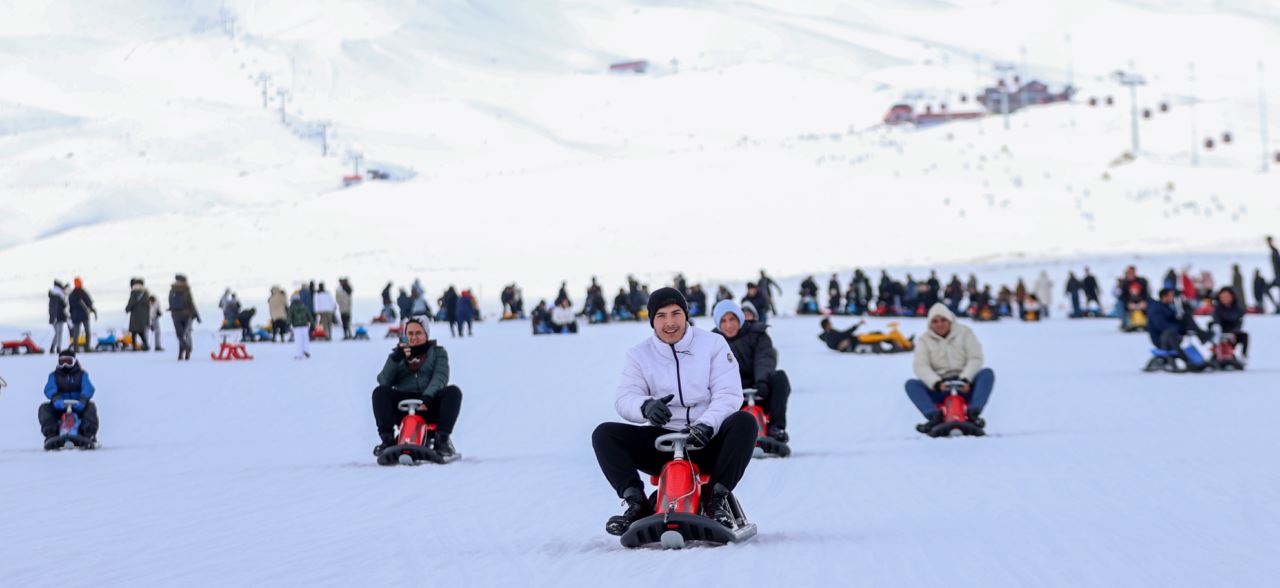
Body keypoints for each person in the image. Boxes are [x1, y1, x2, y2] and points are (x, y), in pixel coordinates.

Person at [591, 288, 755, 535]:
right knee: (604, 434)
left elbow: (729, 394)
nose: (670, 323)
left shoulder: (712, 344)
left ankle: (715, 500)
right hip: (663, 444)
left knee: (745, 421)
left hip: (708, 441)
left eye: (676, 314)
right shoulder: (639, 355)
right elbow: (625, 397)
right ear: (652, 321)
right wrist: (645, 406)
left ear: (686, 315)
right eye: (662, 316)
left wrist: (707, 424)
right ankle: (637, 503)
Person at [371, 317, 462, 458]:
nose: (413, 337)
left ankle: (442, 440)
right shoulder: (397, 355)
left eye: (418, 333)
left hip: (429, 403)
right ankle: (387, 440)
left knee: (453, 392)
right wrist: (395, 359)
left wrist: (428, 396)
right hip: (404, 404)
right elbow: (383, 381)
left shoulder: (438, 353)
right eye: (410, 333)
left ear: (426, 335)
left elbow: (440, 377)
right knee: (380, 393)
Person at [904, 303, 995, 433]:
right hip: (941, 386)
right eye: (935, 321)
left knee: (987, 374)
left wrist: (966, 379)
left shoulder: (965, 333)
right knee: (911, 384)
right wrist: (936, 383)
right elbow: (920, 365)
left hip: (965, 383)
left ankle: (973, 414)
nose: (939, 324)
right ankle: (934, 416)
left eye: (943, 320)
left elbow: (975, 357)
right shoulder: (924, 340)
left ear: (950, 320)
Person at [712, 300, 790, 443]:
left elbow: (764, 358)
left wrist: (762, 381)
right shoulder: (713, 342)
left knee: (780, 377)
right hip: (732, 395)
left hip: (760, 388)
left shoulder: (757, 334)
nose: (728, 325)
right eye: (723, 321)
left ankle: (776, 428)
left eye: (732, 319)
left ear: (739, 319)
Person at [39, 350, 98, 444]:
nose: (65, 365)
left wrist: (83, 399)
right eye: (62, 362)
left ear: (74, 362)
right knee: (44, 408)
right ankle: (51, 434)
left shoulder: (82, 375)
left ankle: (88, 434)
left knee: (90, 407)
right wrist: (56, 399)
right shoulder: (54, 376)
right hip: (60, 406)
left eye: (68, 362)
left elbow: (88, 387)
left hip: (78, 406)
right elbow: (50, 388)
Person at [1147, 287, 1211, 354]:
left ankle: (1202, 335)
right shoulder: (1156, 308)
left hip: (1171, 334)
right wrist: (1179, 328)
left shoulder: (1167, 306)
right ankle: (1186, 359)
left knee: (1186, 316)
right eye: (1171, 296)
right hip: (1161, 339)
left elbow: (1175, 321)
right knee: (1171, 332)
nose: (1173, 298)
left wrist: (1184, 325)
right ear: (1164, 297)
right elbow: (1161, 326)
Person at [168, 274, 200, 361]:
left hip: (175, 315)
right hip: (186, 315)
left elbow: (170, 302)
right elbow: (191, 303)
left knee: (180, 335)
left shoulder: (172, 290)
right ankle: (187, 349)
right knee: (185, 334)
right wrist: (196, 315)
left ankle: (181, 353)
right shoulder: (186, 290)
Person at [1211, 287, 1248, 358]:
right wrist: (1217, 328)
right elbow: (1216, 320)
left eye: (1227, 296)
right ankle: (1216, 353)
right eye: (1223, 297)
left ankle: (1243, 356)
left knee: (1244, 336)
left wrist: (1233, 332)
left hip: (1233, 333)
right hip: (1220, 333)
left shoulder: (1237, 309)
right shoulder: (1217, 309)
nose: (1225, 298)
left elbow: (1238, 323)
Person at [67, 278, 97, 353]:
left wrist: (71, 314)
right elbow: (89, 302)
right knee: (87, 331)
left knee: (76, 332)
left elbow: (70, 306)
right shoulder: (83, 292)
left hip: (76, 316)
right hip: (84, 315)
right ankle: (87, 348)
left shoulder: (72, 294)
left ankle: (75, 349)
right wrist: (92, 310)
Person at [125, 278, 152, 351]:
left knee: (134, 332)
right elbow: (148, 305)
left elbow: (131, 302)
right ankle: (145, 345)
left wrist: (127, 308)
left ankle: (134, 347)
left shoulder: (134, 292)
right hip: (143, 315)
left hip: (135, 315)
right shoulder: (146, 293)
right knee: (140, 331)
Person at [288, 293, 312, 360]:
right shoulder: (304, 306)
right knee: (305, 339)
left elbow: (289, 317)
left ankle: (299, 354)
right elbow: (308, 315)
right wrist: (312, 322)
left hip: (297, 326)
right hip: (305, 325)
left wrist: (288, 324)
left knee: (298, 340)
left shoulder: (292, 307)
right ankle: (306, 350)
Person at [48, 280, 69, 353]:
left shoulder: (54, 295)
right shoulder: (58, 296)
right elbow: (58, 307)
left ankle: (54, 347)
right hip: (58, 317)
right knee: (59, 333)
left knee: (58, 333)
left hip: (56, 317)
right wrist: (55, 317)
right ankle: (57, 348)